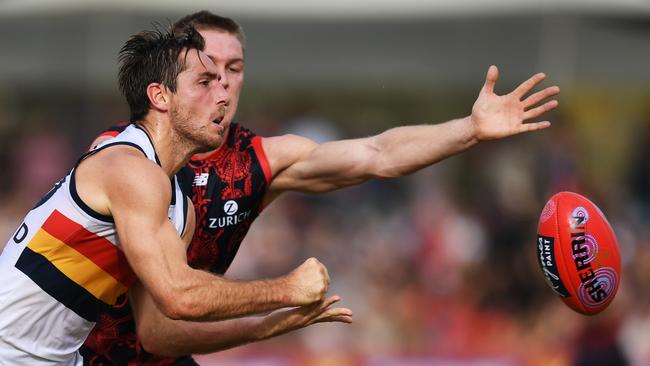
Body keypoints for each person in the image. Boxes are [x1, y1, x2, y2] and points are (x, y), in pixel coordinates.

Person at [80, 10, 561, 366]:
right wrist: (276, 311)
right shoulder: (134, 163)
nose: (223, 85)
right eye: (207, 71)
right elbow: (158, 327)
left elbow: (378, 154)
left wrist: (470, 130)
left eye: (235, 68)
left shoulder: (257, 161)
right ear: (174, 81)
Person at [0, 24, 346, 366]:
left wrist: (269, 325)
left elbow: (159, 332)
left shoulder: (181, 210)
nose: (223, 95)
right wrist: (285, 290)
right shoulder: (129, 168)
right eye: (204, 83)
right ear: (160, 96)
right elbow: (180, 295)